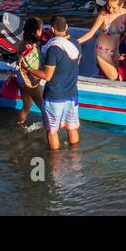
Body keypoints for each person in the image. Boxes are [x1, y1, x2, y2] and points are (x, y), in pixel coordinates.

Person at [34, 15, 80, 150]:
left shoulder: (53, 48)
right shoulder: (75, 43)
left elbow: (47, 76)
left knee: (53, 131)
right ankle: (75, 158)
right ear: (66, 27)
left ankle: (55, 163)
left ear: (52, 29)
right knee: (72, 127)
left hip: (55, 95)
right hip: (72, 93)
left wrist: (28, 69)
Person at [77, 0, 126, 80]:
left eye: (114, 8)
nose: (110, 9)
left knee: (114, 78)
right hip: (102, 51)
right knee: (115, 78)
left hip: (115, 51)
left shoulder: (125, 14)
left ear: (121, 5)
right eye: (108, 6)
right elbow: (91, 33)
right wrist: (76, 42)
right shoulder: (103, 15)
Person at [14, 17, 46, 129]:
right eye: (40, 29)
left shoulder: (23, 43)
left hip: (23, 80)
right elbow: (35, 67)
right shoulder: (32, 47)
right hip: (31, 82)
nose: (42, 32)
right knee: (45, 109)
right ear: (36, 32)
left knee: (27, 106)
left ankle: (18, 127)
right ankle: (49, 133)